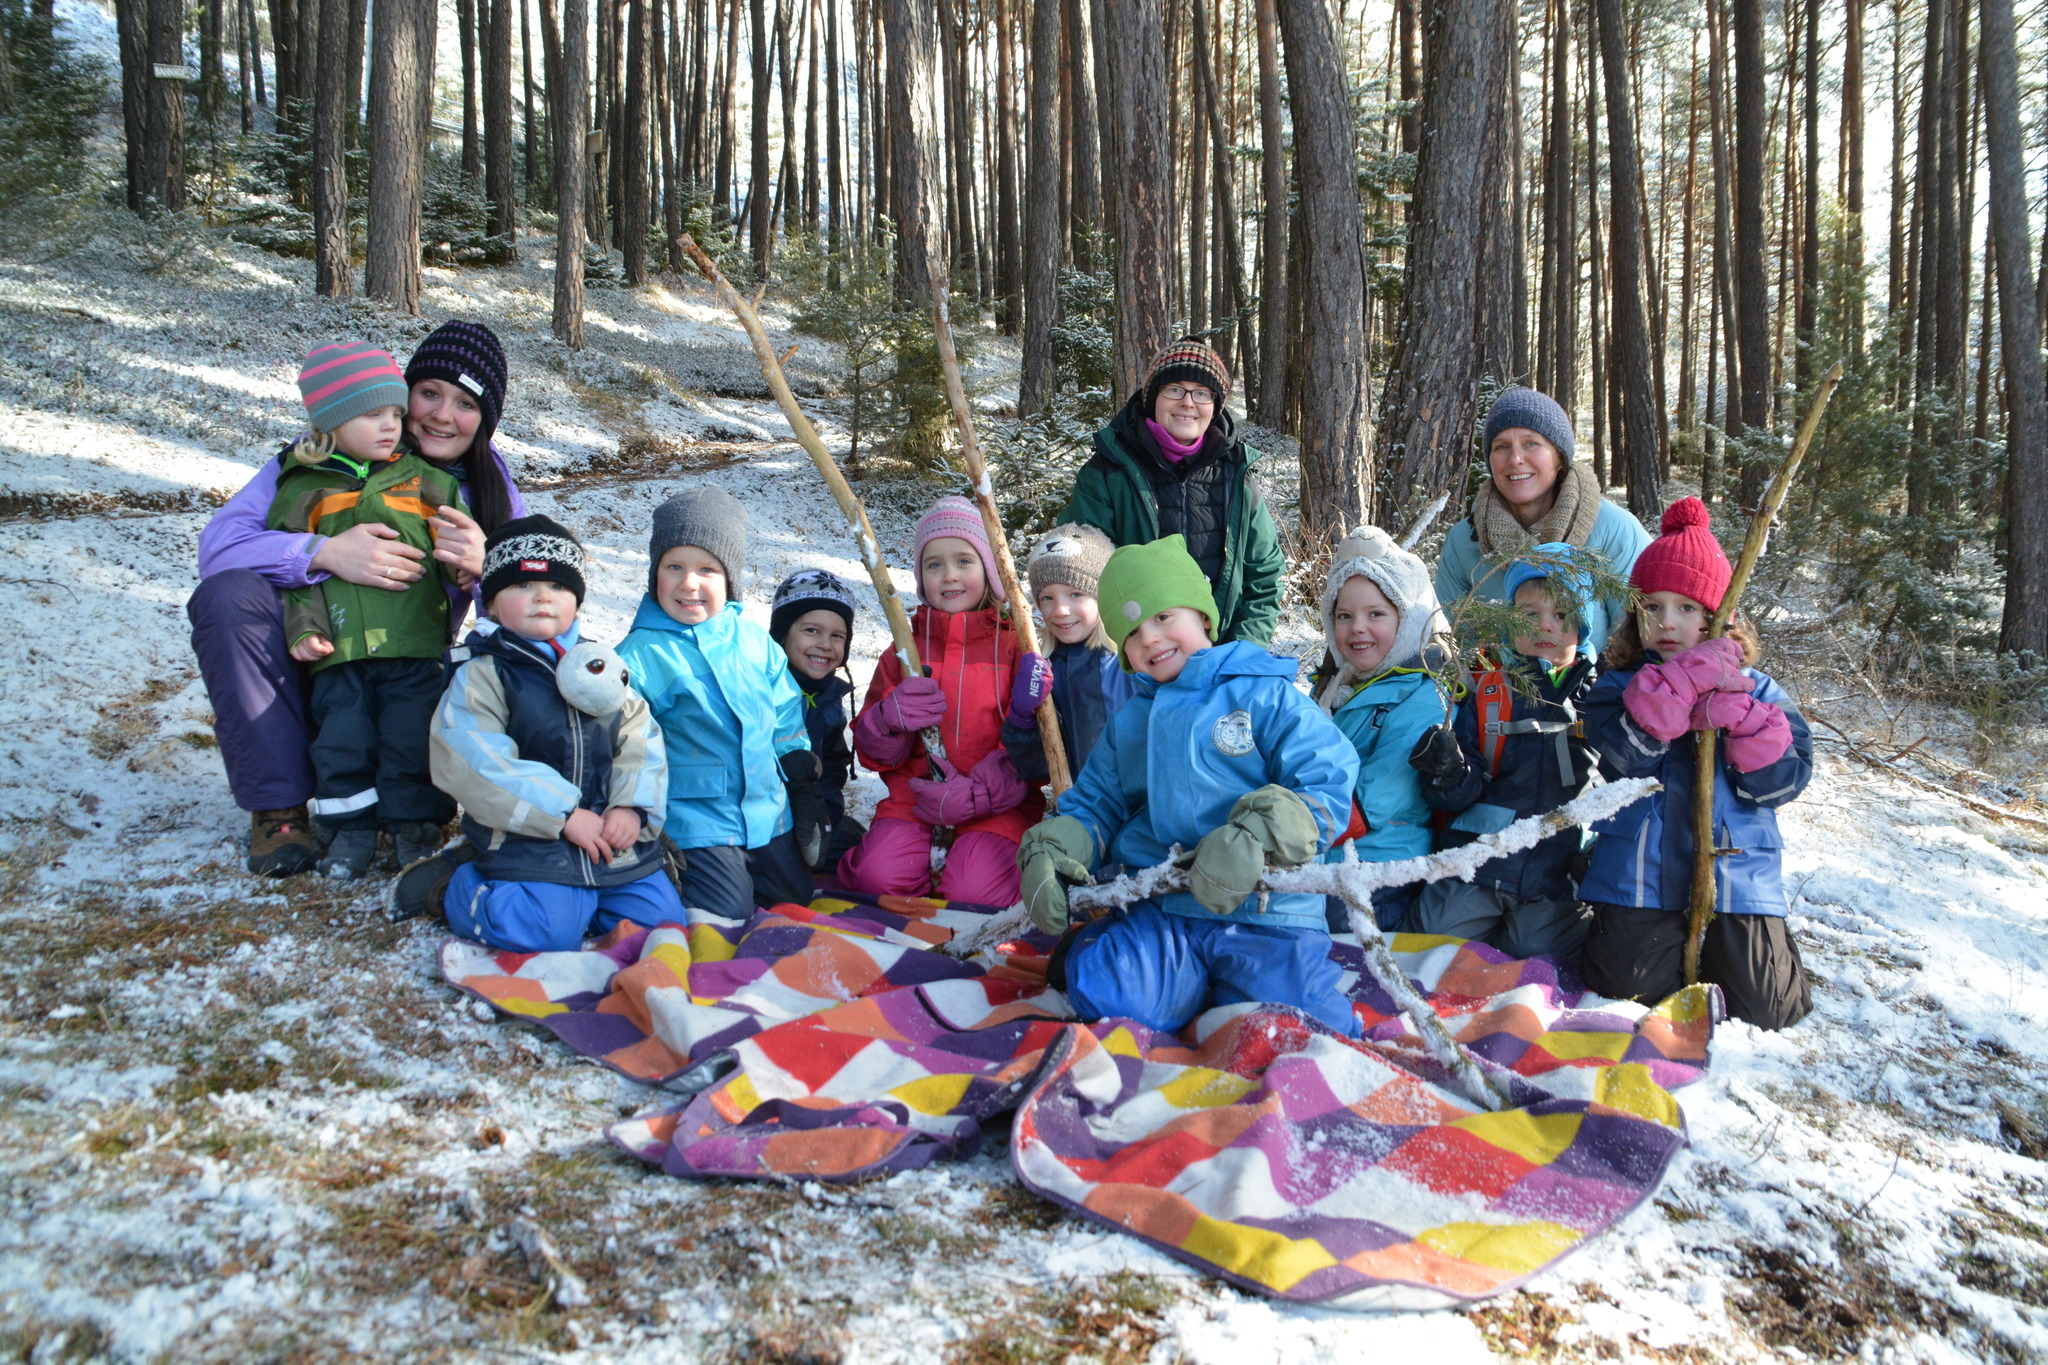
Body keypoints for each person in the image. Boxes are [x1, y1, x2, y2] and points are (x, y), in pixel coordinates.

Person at [190, 319, 524, 876]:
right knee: (227, 597)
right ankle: (280, 806)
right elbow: (218, 548)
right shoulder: (309, 466)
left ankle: (472, 806)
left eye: (465, 403)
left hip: (412, 672)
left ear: (485, 420)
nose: (441, 415)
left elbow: (540, 609)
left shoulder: (482, 488)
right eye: (428, 393)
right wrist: (321, 553)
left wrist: (486, 570)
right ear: (401, 391)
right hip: (322, 658)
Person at [1015, 536, 1361, 1038]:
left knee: (1303, 1028)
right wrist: (1056, 847)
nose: (1150, 638)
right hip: (1165, 907)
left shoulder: (1262, 692)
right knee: (1108, 992)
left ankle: (1231, 985)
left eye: (1162, 617)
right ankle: (1130, 957)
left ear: (1202, 616)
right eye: (1131, 633)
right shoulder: (1131, 721)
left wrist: (1258, 839)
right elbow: (1097, 804)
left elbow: (1326, 778)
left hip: (1266, 911)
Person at [1577, 498, 1814, 1030]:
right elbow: (1620, 761)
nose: (1667, 623)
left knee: (1763, 1011)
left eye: (1686, 608)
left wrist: (1749, 725)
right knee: (1626, 992)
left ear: (1718, 616)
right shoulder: (1616, 686)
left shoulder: (1761, 691)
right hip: (1641, 876)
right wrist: (1675, 687)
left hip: (1737, 877)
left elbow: (1784, 784)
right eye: (1652, 607)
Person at [395, 516, 682, 947]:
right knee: (542, 930)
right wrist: (562, 814)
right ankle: (453, 885)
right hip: (528, 838)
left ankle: (585, 901)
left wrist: (631, 808)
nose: (543, 597)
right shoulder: (484, 674)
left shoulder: (599, 666)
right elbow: (473, 758)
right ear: (491, 602)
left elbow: (640, 740)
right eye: (523, 586)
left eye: (560, 587)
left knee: (661, 926)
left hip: (606, 835)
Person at [265, 342, 465, 879]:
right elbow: (292, 569)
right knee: (341, 739)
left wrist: (468, 570)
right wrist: (304, 625)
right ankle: (350, 828)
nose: (391, 426)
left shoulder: (425, 481)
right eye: (372, 414)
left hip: (413, 643)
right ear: (330, 423)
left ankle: (413, 829)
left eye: (396, 414)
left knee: (410, 736)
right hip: (342, 647)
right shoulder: (304, 488)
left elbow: (458, 551)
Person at [617, 488, 822, 920]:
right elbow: (622, 742)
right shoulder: (641, 655)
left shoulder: (752, 641)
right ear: (656, 574)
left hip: (767, 813)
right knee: (725, 912)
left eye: (706, 569)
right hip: (696, 821)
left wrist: (797, 759)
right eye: (675, 566)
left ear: (728, 578)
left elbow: (784, 708)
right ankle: (663, 872)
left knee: (794, 904)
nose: (689, 583)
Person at [837, 497, 1042, 906]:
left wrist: (979, 794)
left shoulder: (1015, 647)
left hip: (996, 809)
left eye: (964, 561)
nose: (949, 575)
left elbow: (1033, 748)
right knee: (876, 880)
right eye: (934, 565)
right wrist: (887, 721)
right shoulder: (905, 649)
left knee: (975, 894)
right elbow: (872, 754)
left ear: (988, 569)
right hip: (914, 803)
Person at [1407, 544, 1599, 958]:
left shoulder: (1600, 698)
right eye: (1530, 615)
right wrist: (1448, 771)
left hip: (1556, 872)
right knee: (1428, 940)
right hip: (1480, 862)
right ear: (1508, 621)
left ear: (1582, 626)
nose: (1545, 626)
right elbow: (1461, 792)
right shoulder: (1489, 692)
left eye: (1561, 615)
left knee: (1537, 954)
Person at [1055, 338, 1286, 646]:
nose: (1188, 402)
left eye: (1202, 393)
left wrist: (1243, 652)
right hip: (1139, 657)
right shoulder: (1109, 472)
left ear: (1216, 405)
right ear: (1153, 397)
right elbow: (1082, 570)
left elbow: (1264, 577)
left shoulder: (1238, 475)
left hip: (1222, 658)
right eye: (1174, 389)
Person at [1432, 387, 1650, 655]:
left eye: (1531, 443)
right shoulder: (1464, 542)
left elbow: (1644, 636)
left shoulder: (1614, 530)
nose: (1515, 459)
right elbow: (1454, 645)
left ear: (1559, 456)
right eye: (1501, 447)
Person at [1314, 526, 1451, 933]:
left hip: (1384, 859)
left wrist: (1295, 827)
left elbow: (1379, 796)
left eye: (1376, 614)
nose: (1357, 627)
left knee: (1329, 924)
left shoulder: (1423, 696)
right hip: (1331, 854)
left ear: (1407, 621)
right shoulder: (1333, 691)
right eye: (1344, 615)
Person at [1002, 523, 1138, 785]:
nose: (1060, 610)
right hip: (1082, 810)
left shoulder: (1133, 662)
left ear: (1105, 597)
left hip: (1143, 809)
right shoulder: (1046, 669)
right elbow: (1037, 770)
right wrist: (1022, 718)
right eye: (1047, 598)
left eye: (1076, 593)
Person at [768, 568, 866, 874]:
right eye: (812, 631)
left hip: (813, 818)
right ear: (783, 635)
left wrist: (828, 816)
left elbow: (834, 765)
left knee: (855, 843)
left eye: (837, 636)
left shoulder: (829, 699)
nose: (825, 644)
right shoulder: (763, 691)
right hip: (768, 822)